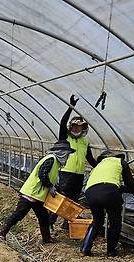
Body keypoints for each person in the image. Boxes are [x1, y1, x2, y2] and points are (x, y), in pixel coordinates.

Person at [0, 140, 74, 244]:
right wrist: (50, 187)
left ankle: (46, 239)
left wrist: (58, 191)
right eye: (67, 155)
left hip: (38, 196)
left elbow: (51, 179)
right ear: (62, 153)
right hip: (31, 193)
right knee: (19, 214)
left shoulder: (55, 163)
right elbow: (43, 174)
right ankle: (1, 233)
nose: (68, 158)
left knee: (44, 218)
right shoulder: (51, 159)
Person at [81, 150, 134, 257]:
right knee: (114, 222)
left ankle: (85, 247)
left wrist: (129, 189)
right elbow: (129, 184)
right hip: (110, 193)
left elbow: (110, 186)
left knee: (97, 221)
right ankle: (111, 251)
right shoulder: (120, 162)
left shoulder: (98, 167)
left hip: (90, 193)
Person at [49, 95, 97, 229]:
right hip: (66, 173)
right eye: (75, 126)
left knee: (74, 200)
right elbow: (62, 123)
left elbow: (90, 158)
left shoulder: (85, 142)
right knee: (61, 199)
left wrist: (99, 167)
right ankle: (50, 222)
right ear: (71, 127)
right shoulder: (65, 137)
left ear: (83, 129)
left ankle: (67, 223)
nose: (77, 129)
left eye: (79, 127)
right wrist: (71, 107)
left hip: (79, 174)